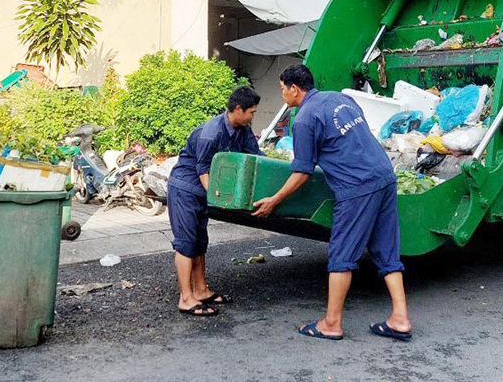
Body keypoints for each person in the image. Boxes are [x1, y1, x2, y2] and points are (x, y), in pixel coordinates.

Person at [252, 65, 413, 342]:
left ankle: (331, 323)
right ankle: (400, 318)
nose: (282, 95)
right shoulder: (341, 99)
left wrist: (275, 199)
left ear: (294, 88)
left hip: (357, 186)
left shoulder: (304, 118)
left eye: (282, 89)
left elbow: (302, 171)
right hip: (385, 176)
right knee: (387, 251)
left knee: (342, 255)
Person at [167, 85, 264, 316]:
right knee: (187, 243)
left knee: (200, 242)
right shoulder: (211, 132)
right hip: (186, 189)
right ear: (238, 109)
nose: (253, 117)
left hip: (204, 192)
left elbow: (256, 157)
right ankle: (185, 298)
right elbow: (202, 169)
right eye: (251, 112)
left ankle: (200, 290)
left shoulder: (242, 129)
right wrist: (217, 200)